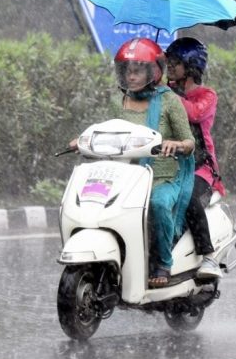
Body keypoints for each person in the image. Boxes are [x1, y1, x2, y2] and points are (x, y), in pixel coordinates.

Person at [71, 38, 195, 288]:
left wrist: (176, 144)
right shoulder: (122, 100)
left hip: (163, 177)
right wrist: (84, 139)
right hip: (126, 176)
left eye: (137, 69)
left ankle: (163, 262)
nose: (131, 75)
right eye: (127, 69)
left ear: (153, 71)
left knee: (158, 205)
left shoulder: (170, 100)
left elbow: (189, 141)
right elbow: (108, 131)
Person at [165, 37, 226, 279]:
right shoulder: (166, 92)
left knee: (188, 198)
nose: (169, 66)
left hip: (200, 169)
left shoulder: (207, 95)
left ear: (191, 67)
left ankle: (208, 256)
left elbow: (194, 112)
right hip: (167, 165)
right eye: (168, 62)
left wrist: (164, 93)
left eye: (175, 62)